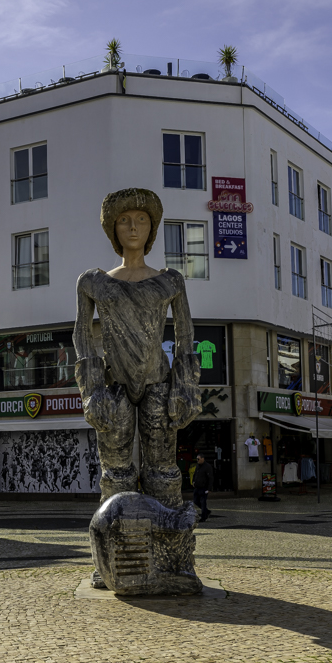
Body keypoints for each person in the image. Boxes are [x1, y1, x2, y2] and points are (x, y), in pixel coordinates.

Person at [73, 187, 203, 507]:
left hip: (157, 382)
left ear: (152, 228)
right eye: (125, 220)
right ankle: (121, 540)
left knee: (163, 471)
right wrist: (92, 390)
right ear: (113, 230)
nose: (133, 227)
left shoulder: (169, 281)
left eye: (142, 220)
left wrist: (185, 387)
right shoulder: (94, 282)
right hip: (115, 384)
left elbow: (186, 334)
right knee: (115, 473)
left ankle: (167, 540)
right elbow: (82, 334)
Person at [192, 452, 214, 521]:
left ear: (202, 459)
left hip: (203, 487)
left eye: (198, 459)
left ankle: (204, 516)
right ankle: (206, 511)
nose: (197, 460)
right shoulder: (198, 466)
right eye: (197, 459)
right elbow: (195, 474)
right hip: (197, 487)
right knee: (195, 501)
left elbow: (210, 478)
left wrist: (209, 488)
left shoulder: (207, 467)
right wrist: (193, 481)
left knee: (203, 502)